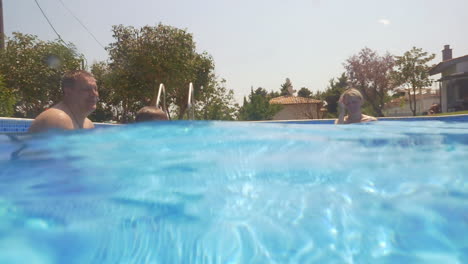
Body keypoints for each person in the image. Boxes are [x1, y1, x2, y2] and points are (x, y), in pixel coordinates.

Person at [28, 70, 99, 133]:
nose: (94, 94)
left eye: (95, 89)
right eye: (87, 89)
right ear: (68, 92)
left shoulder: (88, 125)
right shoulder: (58, 119)